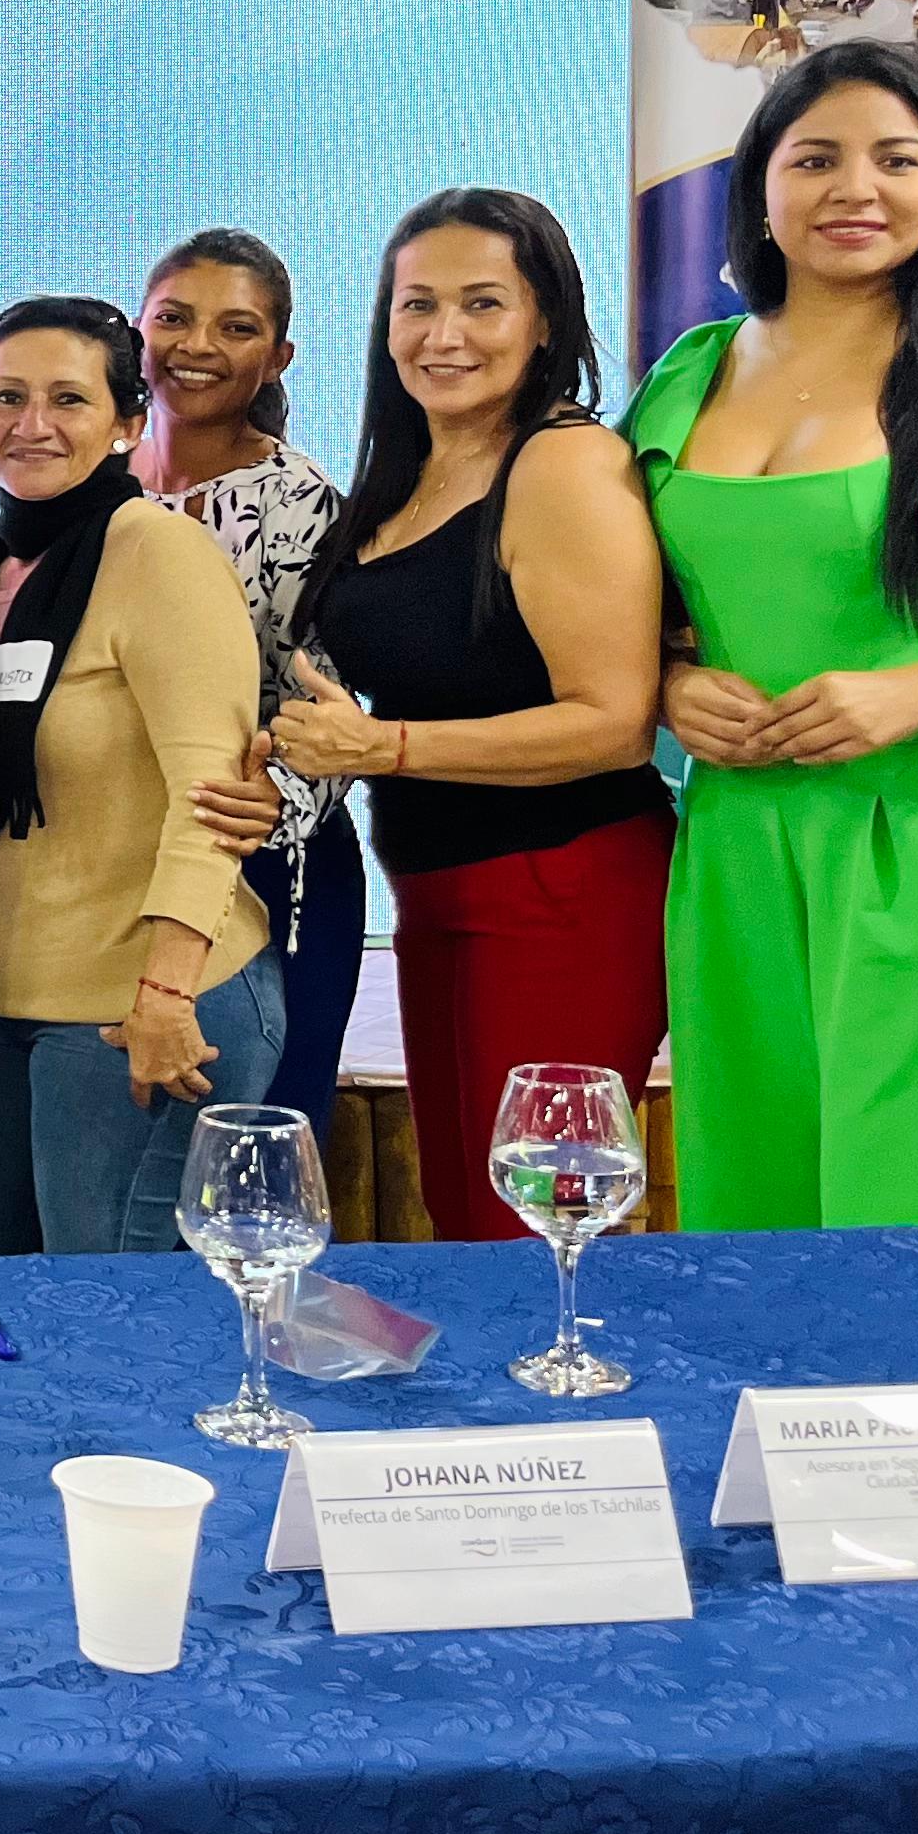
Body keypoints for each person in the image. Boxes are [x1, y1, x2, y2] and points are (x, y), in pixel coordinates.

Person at [635, 47, 918, 1259]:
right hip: (734, 846)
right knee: (745, 1211)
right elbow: (632, 618)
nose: (855, 189)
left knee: (915, 1216)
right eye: (815, 158)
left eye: (896, 160)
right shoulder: (688, 374)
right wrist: (671, 686)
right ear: (760, 185)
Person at [285, 190, 668, 1241]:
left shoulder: (562, 461)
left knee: (529, 1233)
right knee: (464, 1225)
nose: (443, 334)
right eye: (417, 305)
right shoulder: (407, 471)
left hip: (561, 890)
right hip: (438, 891)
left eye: (483, 303)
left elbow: (615, 721)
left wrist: (386, 748)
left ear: (545, 320)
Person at [0, 297, 278, 1256]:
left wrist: (167, 993)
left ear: (127, 422)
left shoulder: (159, 551)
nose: (33, 424)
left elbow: (212, 799)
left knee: (111, 1302)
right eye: (8, 397)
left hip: (139, 1006)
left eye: (69, 399)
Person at [136, 228, 366, 1125]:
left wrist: (278, 797)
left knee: (256, 1143)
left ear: (278, 357)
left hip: (266, 865)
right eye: (174, 318)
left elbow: (334, 702)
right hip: (113, 874)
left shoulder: (303, 507)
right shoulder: (86, 486)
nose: (196, 346)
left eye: (235, 328)